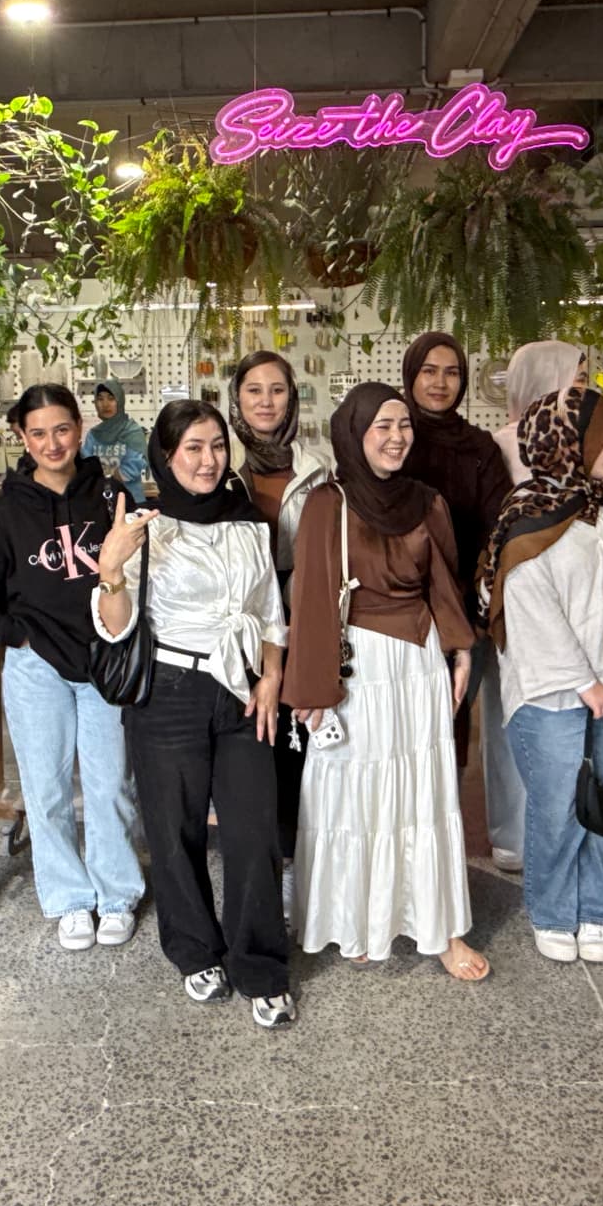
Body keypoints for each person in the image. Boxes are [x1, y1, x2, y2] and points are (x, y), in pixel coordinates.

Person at [91, 401, 294, 1028]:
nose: (208, 461)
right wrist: (112, 566)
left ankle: (259, 963)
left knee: (253, 831)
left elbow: (269, 613)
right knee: (174, 831)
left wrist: (272, 680)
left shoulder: (248, 525)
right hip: (169, 694)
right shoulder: (147, 529)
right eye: (193, 449)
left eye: (216, 446)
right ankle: (194, 950)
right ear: (166, 456)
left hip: (242, 693)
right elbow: (113, 628)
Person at [284, 383, 489, 981]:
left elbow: (442, 583)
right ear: (355, 433)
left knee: (424, 793)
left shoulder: (428, 502)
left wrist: (461, 650)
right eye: (382, 427)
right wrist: (315, 691)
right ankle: (360, 917)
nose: (397, 437)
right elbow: (314, 598)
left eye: (403, 425)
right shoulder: (329, 503)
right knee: (357, 791)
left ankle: (443, 927)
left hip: (419, 662)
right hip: (359, 667)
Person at [0, 383, 143, 951]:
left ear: (79, 428)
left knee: (111, 783)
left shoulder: (110, 496)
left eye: (61, 429)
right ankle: (68, 898)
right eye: (38, 433)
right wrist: (20, 635)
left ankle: (117, 894)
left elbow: (140, 574)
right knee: (47, 788)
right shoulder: (4, 515)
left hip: (104, 661)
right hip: (36, 668)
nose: (52, 442)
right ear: (22, 437)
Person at [481, 380, 603, 965]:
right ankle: (553, 911)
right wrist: (587, 682)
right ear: (569, 440)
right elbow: (532, 612)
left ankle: (593, 909)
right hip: (552, 690)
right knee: (556, 806)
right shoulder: (525, 516)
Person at [398, 332, 515, 871]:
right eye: (428, 370)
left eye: (450, 372)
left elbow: (497, 528)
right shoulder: (393, 436)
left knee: (450, 724)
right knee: (399, 730)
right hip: (396, 608)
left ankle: (439, 852)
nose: (439, 382)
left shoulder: (480, 448)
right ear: (410, 375)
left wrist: (471, 598)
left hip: (462, 607)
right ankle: (400, 842)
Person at [228, 350, 332, 916]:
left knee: (308, 746)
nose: (266, 402)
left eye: (277, 390)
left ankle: (304, 866)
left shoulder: (320, 470)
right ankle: (269, 864)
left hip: (308, 623)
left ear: (293, 398)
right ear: (237, 401)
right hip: (246, 638)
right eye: (254, 391)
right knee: (257, 747)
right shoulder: (222, 474)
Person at [83, 376, 147, 505]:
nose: (105, 404)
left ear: (120, 400)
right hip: (100, 502)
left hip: (131, 501)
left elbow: (132, 468)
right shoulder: (93, 434)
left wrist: (103, 474)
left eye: (111, 398)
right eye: (100, 399)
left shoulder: (132, 432)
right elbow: (86, 466)